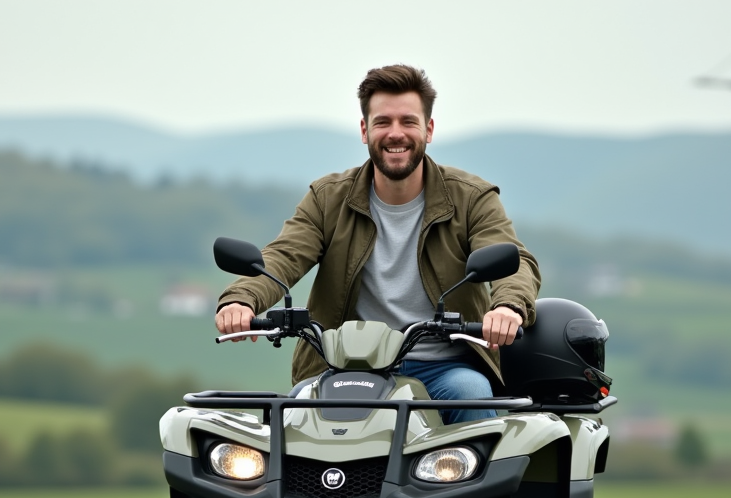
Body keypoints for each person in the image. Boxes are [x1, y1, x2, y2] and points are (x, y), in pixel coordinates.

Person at [215, 64, 539, 424]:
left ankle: (481, 483)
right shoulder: (328, 198)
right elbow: (283, 256)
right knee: (292, 418)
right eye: (383, 122)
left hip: (444, 366)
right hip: (344, 367)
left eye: (408, 121)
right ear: (365, 130)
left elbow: (516, 260)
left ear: (428, 130)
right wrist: (242, 298)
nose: (395, 134)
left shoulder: (471, 198)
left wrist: (507, 308)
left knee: (472, 395)